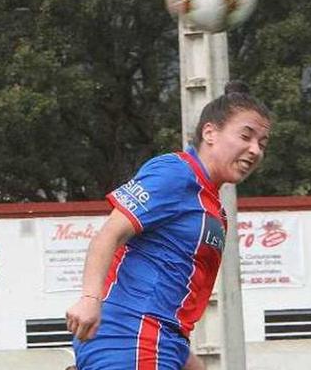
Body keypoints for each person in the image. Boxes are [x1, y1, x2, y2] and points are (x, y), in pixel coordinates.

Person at [66, 81, 271, 370]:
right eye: (246, 136)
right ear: (210, 132)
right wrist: (89, 298)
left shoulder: (211, 205)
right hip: (129, 337)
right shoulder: (175, 173)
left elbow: (168, 306)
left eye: (262, 144)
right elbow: (109, 234)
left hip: (160, 342)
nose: (255, 150)